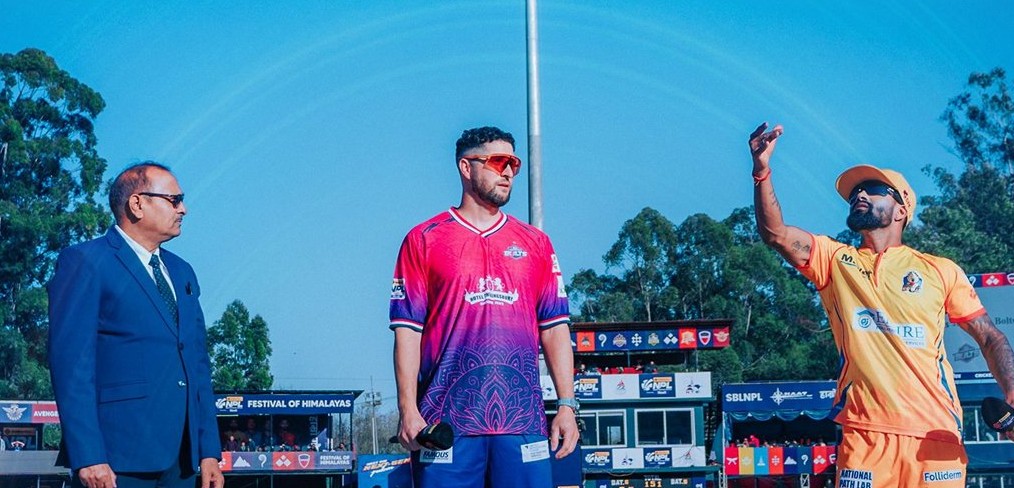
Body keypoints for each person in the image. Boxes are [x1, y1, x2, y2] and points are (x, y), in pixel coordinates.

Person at [748, 122, 1014, 487]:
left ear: (901, 209)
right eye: (855, 191)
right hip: (865, 435)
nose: (859, 194)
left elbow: (990, 337)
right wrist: (761, 171)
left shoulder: (940, 270)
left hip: (935, 434)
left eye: (873, 189)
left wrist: (1012, 393)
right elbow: (776, 233)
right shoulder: (834, 260)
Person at [390, 126, 578, 488]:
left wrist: (567, 405)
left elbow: (555, 328)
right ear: (466, 167)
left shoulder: (536, 243)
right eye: (497, 161)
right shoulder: (423, 239)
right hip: (446, 421)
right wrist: (407, 409)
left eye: (514, 164)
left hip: (522, 421)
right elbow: (407, 332)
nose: (507, 172)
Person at [48, 162, 224, 488]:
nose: (183, 209)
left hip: (183, 460)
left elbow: (198, 364)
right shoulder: (86, 262)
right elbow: (71, 366)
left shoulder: (182, 272)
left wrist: (208, 451)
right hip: (116, 459)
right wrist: (88, 455)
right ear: (137, 204)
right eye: (174, 200)